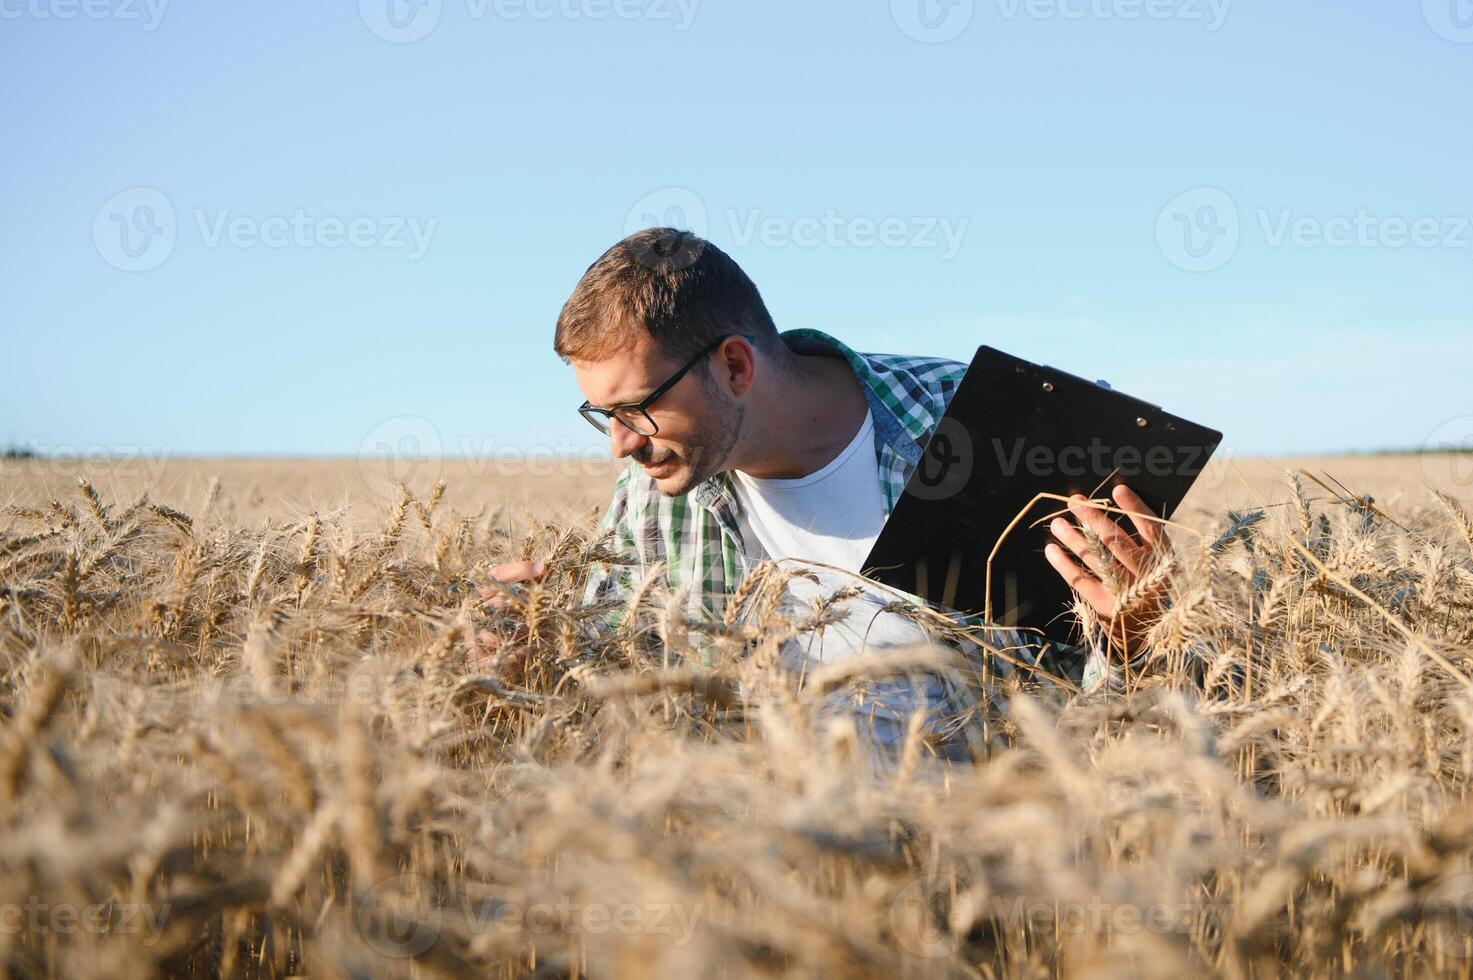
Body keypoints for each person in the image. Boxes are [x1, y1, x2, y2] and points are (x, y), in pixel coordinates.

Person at [471, 228, 1171, 758]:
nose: (619, 444)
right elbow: (619, 687)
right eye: (601, 414)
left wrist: (1137, 641)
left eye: (635, 409)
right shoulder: (654, 488)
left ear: (736, 364)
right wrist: (522, 661)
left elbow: (1114, 709)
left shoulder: (978, 424)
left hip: (1003, 874)